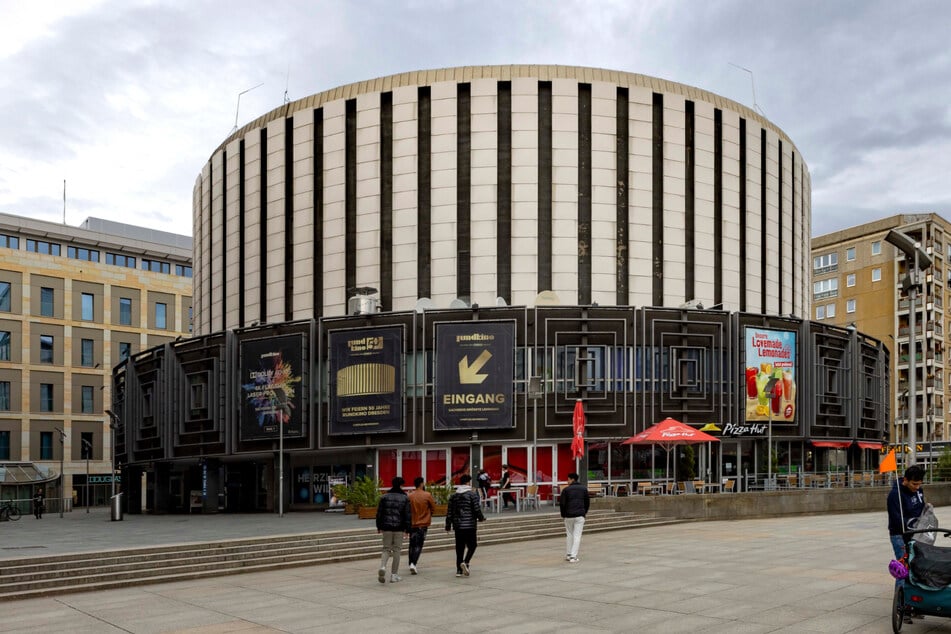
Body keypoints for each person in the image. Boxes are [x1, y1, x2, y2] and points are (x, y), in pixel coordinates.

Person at [887, 464, 926, 623]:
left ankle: (915, 604)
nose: (917, 487)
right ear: (905, 480)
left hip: (916, 533)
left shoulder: (919, 491)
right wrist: (912, 523)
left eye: (919, 484)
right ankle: (901, 607)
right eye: (914, 484)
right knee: (903, 568)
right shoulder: (894, 495)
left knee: (917, 566)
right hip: (899, 534)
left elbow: (921, 509)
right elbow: (897, 520)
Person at [445, 474, 485, 577]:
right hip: (470, 525)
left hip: (458, 526)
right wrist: (481, 518)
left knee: (459, 548)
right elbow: (476, 509)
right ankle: (466, 562)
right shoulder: (472, 494)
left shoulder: (453, 496)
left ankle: (458, 570)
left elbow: (449, 512)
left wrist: (448, 525)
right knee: (473, 545)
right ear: (468, 483)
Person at [375, 476, 410, 583]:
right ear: (400, 485)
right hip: (399, 527)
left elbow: (379, 513)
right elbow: (407, 515)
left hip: (386, 527)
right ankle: (394, 575)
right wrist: (407, 529)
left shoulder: (384, 497)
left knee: (386, 548)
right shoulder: (405, 498)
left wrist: (379, 526)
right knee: (397, 550)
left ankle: (383, 567)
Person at [407, 477, 436, 575]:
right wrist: (428, 515)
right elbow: (433, 508)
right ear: (421, 484)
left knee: (412, 544)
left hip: (413, 523)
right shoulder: (427, 495)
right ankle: (413, 563)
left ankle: (410, 562)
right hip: (423, 523)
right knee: (419, 545)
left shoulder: (410, 496)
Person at [559, 472, 590, 563]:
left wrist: (563, 515)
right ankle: (573, 556)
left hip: (568, 516)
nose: (567, 481)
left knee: (569, 535)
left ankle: (569, 554)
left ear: (572, 479)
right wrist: (584, 513)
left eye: (568, 479)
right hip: (580, 515)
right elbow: (587, 502)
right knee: (577, 536)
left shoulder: (566, 490)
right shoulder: (584, 489)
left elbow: (562, 504)